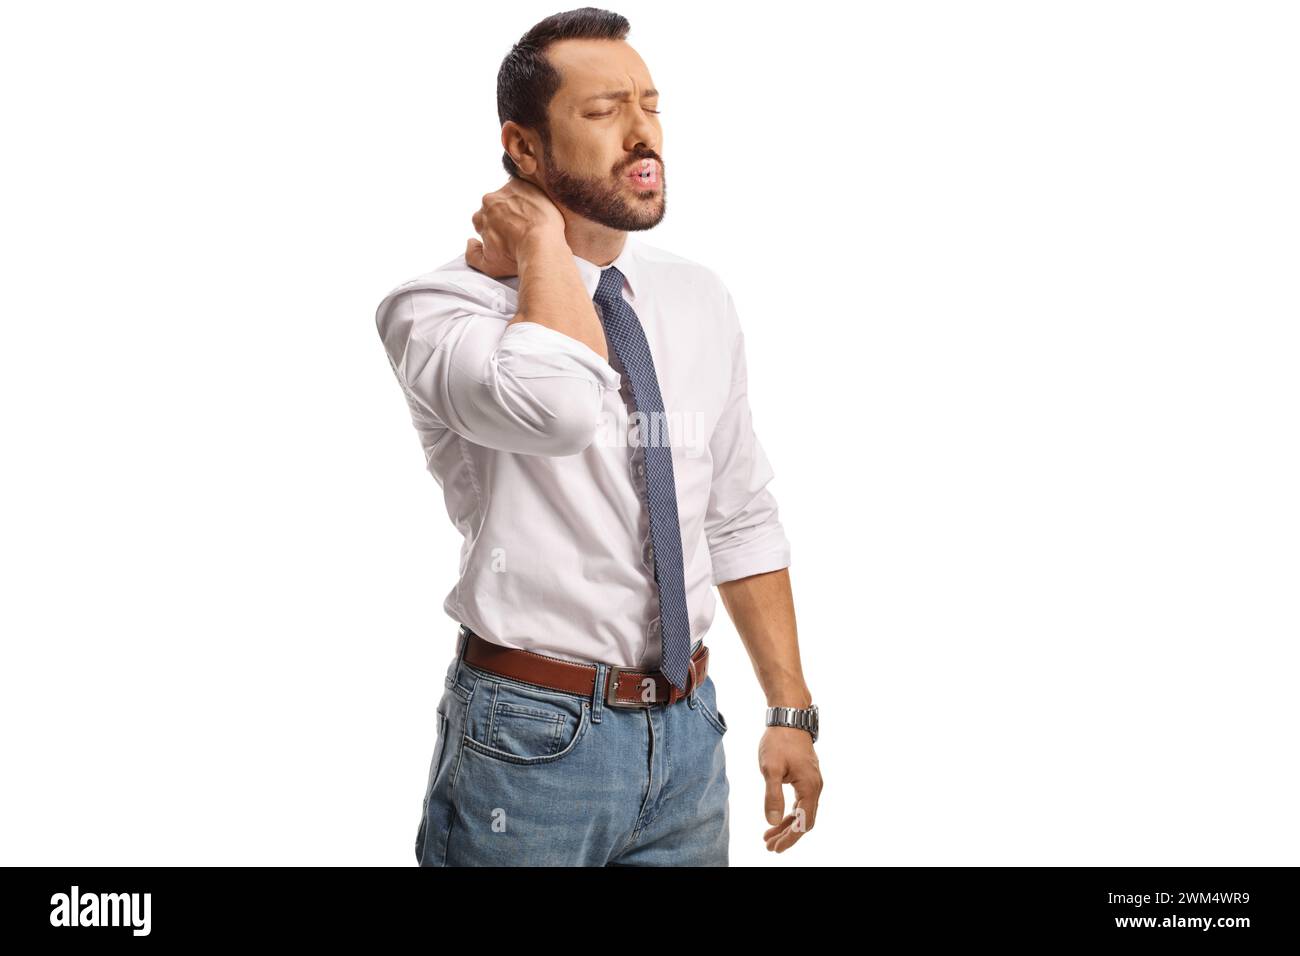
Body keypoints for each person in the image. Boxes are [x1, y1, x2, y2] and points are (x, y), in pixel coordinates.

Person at [374, 6, 821, 866]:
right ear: (524, 148)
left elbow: (735, 513)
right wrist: (544, 241)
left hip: (692, 732)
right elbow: (562, 406)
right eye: (602, 110)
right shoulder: (436, 311)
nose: (641, 132)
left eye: (649, 104)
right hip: (530, 745)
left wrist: (789, 709)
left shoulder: (697, 296)